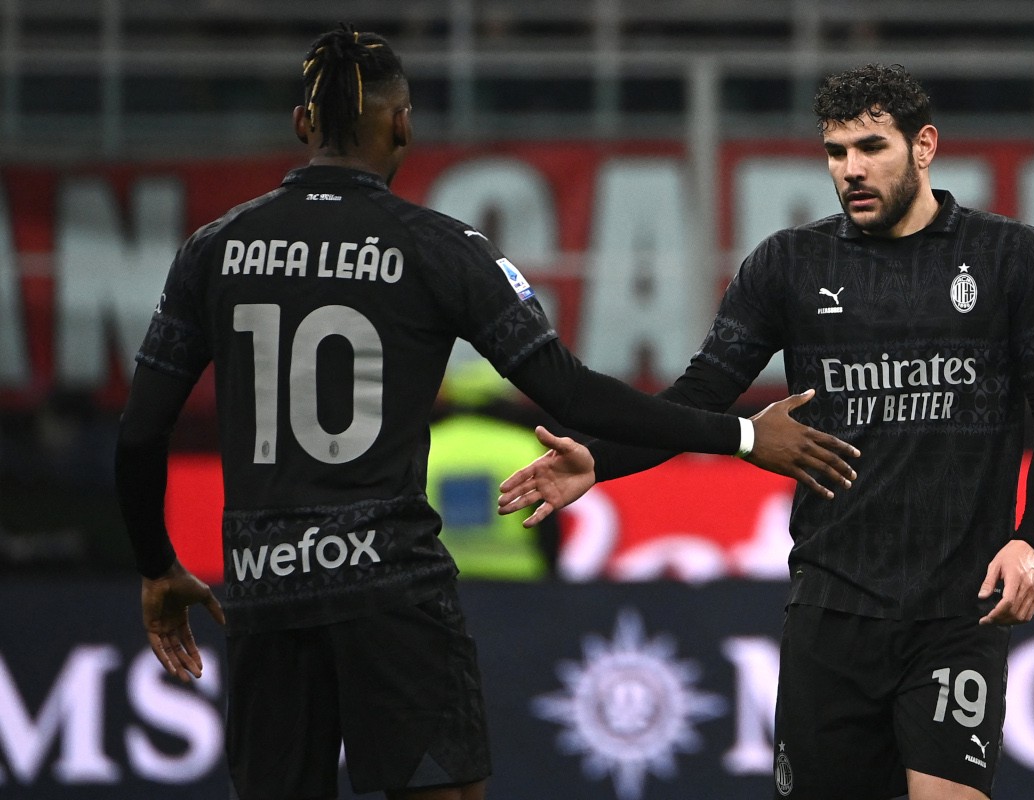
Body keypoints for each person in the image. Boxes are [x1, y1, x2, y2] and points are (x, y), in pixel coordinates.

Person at [112, 23, 860, 800]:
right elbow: (569, 391)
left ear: (302, 125)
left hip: (264, 595)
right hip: (390, 592)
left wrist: (156, 565)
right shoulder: (440, 248)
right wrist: (739, 433)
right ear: (403, 124)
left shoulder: (215, 249)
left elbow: (139, 435)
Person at [498, 63, 1034, 800]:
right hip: (831, 609)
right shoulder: (789, 264)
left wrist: (1032, 540)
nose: (851, 170)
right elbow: (703, 395)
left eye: (871, 147)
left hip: (955, 610)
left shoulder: (1010, 257)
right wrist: (602, 463)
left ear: (925, 145)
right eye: (836, 152)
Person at [427, 354, 559, 580]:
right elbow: (547, 523)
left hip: (445, 578)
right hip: (519, 580)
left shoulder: (428, 447)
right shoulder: (525, 446)